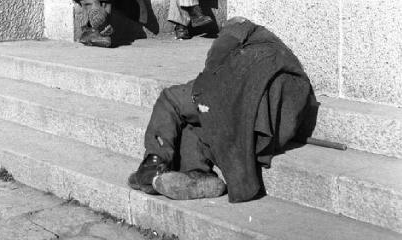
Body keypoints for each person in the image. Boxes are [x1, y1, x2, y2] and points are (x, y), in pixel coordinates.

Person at [128, 17, 313, 202]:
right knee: (199, 120)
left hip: (252, 104)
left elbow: (214, 61)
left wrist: (205, 86)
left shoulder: (239, 27)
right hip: (271, 131)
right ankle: (198, 175)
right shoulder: (278, 51)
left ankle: (153, 164)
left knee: (172, 98)